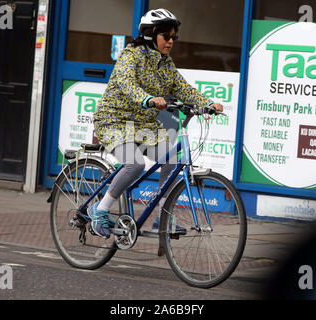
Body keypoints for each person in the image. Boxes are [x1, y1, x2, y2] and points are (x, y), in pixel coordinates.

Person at [88, 8, 223, 239]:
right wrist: (147, 99)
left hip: (143, 126)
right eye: (166, 36)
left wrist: (208, 103)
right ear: (151, 34)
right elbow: (126, 83)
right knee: (135, 164)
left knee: (171, 157)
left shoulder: (165, 63)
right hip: (114, 121)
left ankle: (163, 216)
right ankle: (99, 209)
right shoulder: (131, 55)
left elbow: (183, 89)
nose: (171, 41)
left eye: (174, 37)